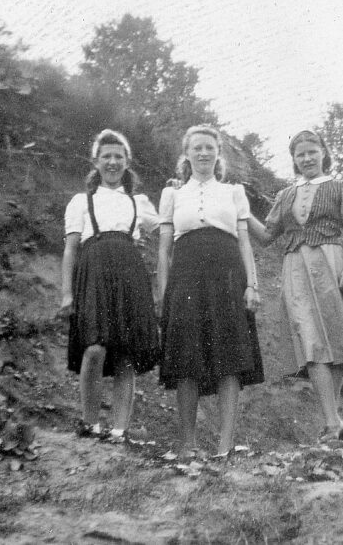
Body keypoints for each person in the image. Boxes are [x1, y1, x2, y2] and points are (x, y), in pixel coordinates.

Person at [249, 129, 343, 442]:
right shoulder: (285, 195)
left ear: (323, 152)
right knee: (311, 340)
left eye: (312, 151)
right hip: (296, 270)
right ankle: (332, 421)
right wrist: (240, 212)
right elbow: (265, 236)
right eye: (300, 154)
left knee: (335, 339)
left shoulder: (342, 187)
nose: (307, 158)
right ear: (294, 160)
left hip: (333, 265)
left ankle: (333, 423)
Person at [157, 125, 263, 458]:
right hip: (186, 277)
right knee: (187, 357)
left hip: (228, 274)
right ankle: (187, 445)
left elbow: (245, 241)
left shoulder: (234, 192)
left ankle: (224, 446)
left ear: (218, 154)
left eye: (209, 148)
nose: (203, 153)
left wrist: (252, 284)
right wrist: (164, 293)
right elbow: (163, 250)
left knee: (229, 358)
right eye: (197, 148)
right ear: (186, 155)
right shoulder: (172, 194)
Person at [59, 129, 160, 441]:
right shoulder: (81, 201)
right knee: (94, 348)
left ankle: (119, 430)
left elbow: (165, 232)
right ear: (96, 161)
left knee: (125, 353)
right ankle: (90, 423)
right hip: (93, 273)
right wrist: (66, 293)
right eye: (107, 157)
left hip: (130, 274)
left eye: (119, 157)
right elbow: (71, 249)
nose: (113, 162)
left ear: (127, 162)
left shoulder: (139, 202)